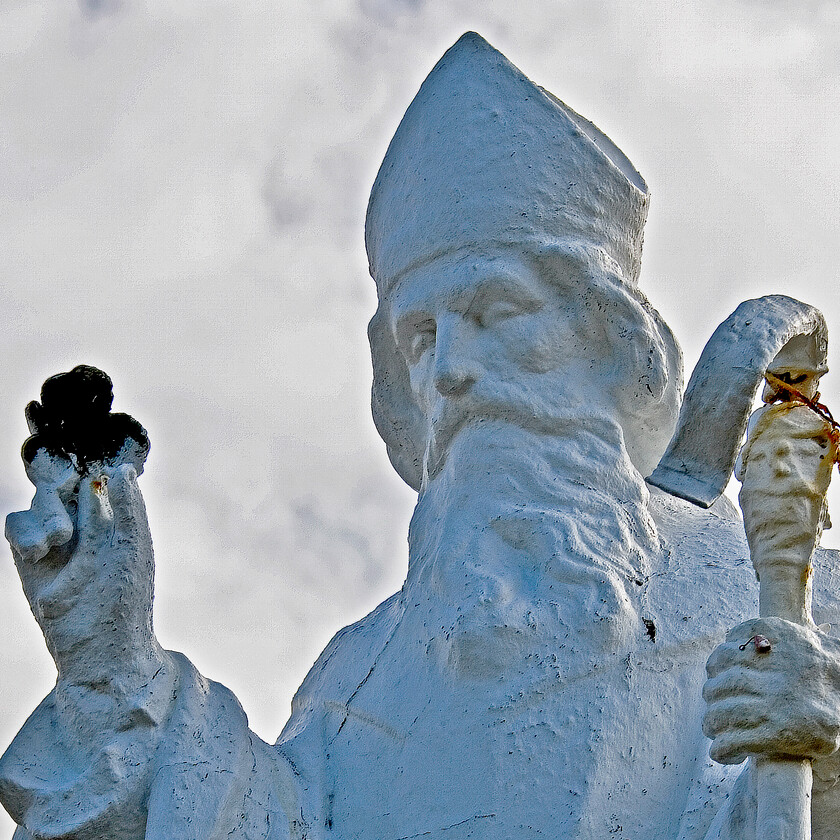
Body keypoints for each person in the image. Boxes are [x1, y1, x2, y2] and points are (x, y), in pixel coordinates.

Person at [3, 32, 840, 840]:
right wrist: (112, 669)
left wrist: (830, 754)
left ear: (610, 342)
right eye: (422, 338)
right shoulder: (361, 677)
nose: (451, 372)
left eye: (496, 312)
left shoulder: (784, 602)